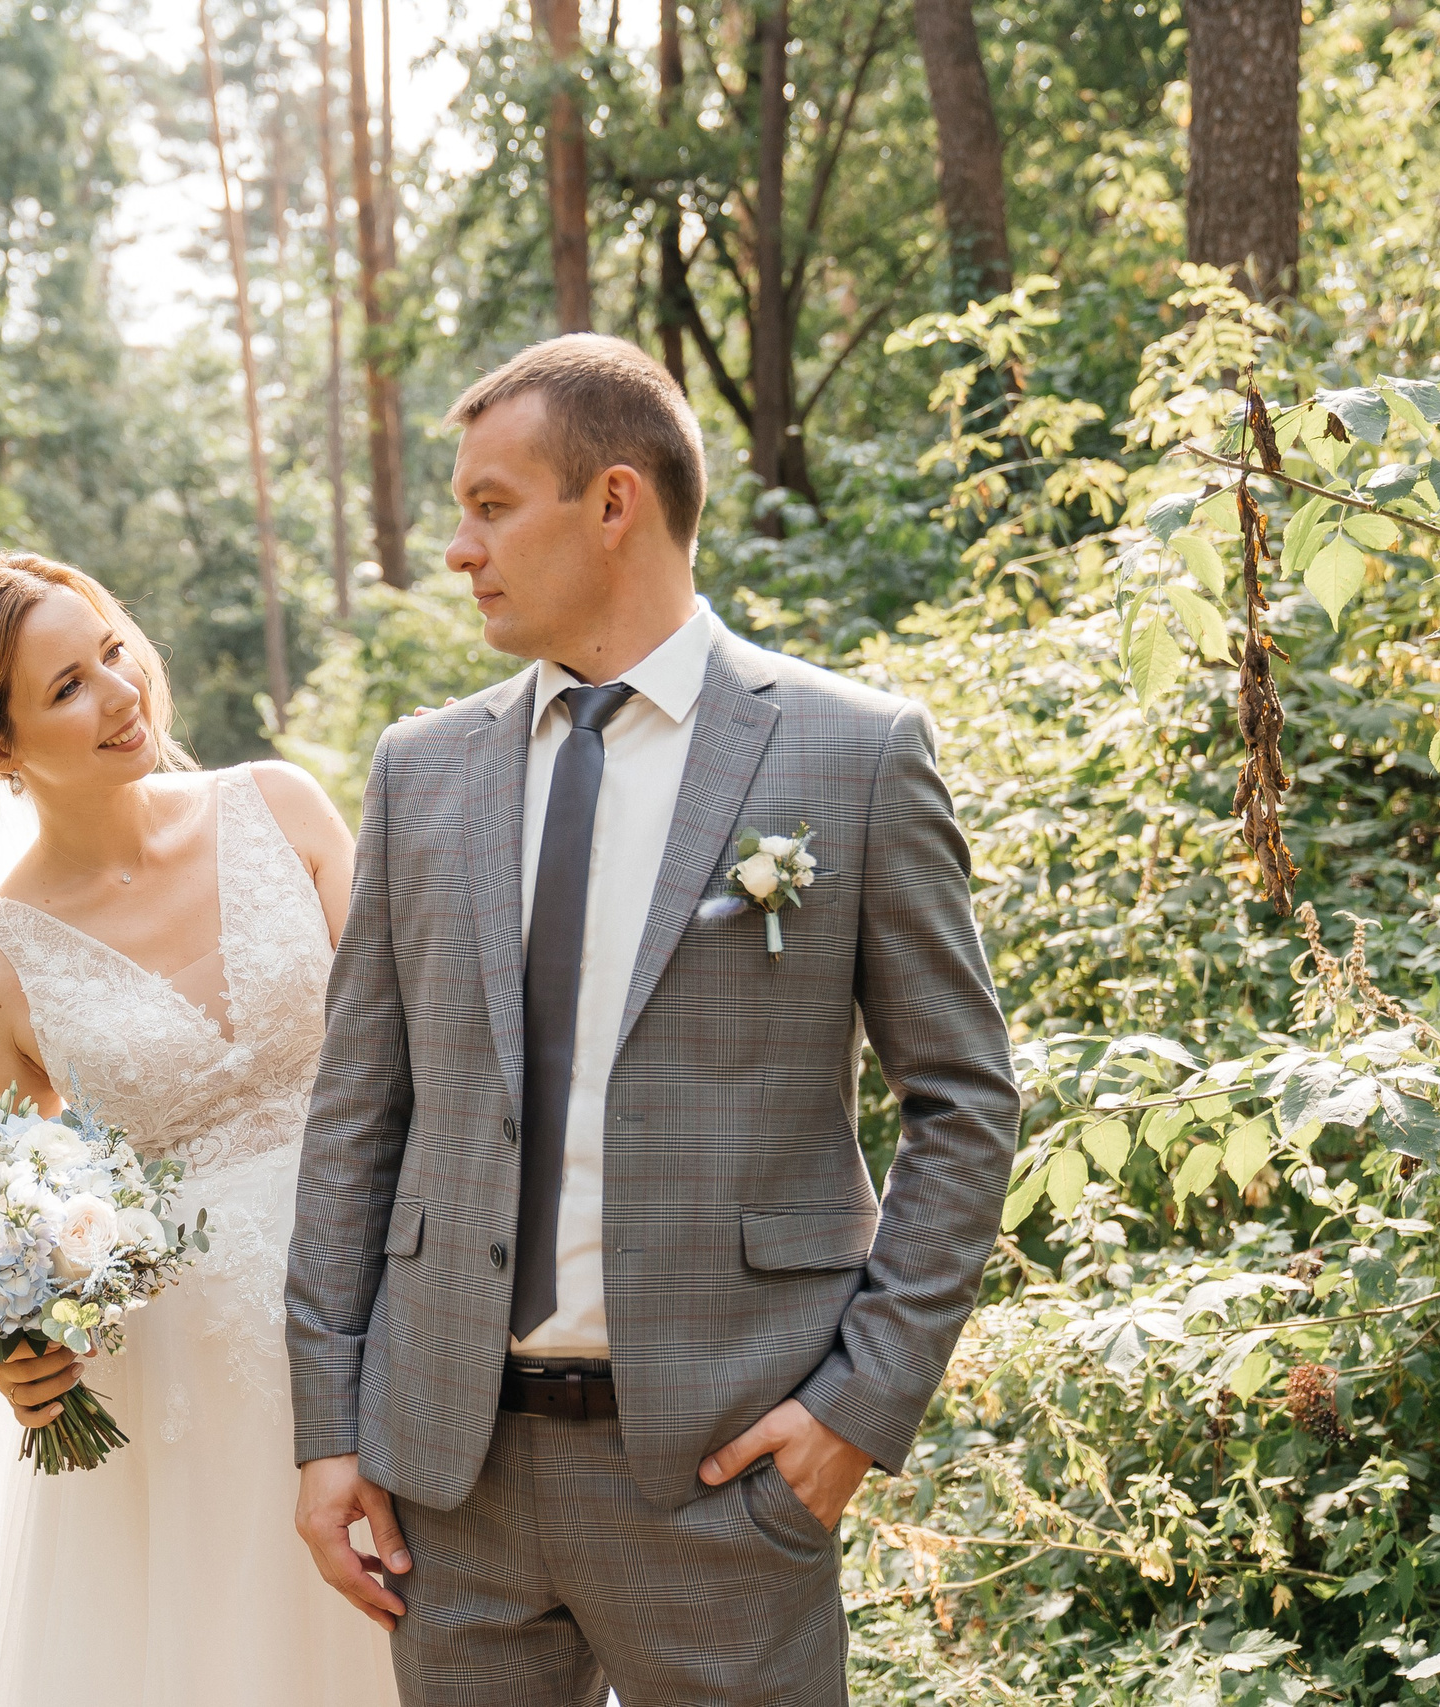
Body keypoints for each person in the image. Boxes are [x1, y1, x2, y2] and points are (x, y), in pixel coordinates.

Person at [283, 335, 1021, 1706]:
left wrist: (857, 1407)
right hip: (454, 1475)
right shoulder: (420, 768)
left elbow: (966, 1100)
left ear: (612, 502)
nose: (459, 547)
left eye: (493, 505)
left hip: (726, 1472)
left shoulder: (851, 752)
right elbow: (355, 1114)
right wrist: (330, 1425)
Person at [0, 550, 398, 1707]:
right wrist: (18, 1346)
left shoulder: (281, 806)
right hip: (192, 1389)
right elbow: (5, 1217)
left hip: (386, 1303)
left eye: (113, 650)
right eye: (67, 686)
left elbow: (410, 1056)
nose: (122, 695)